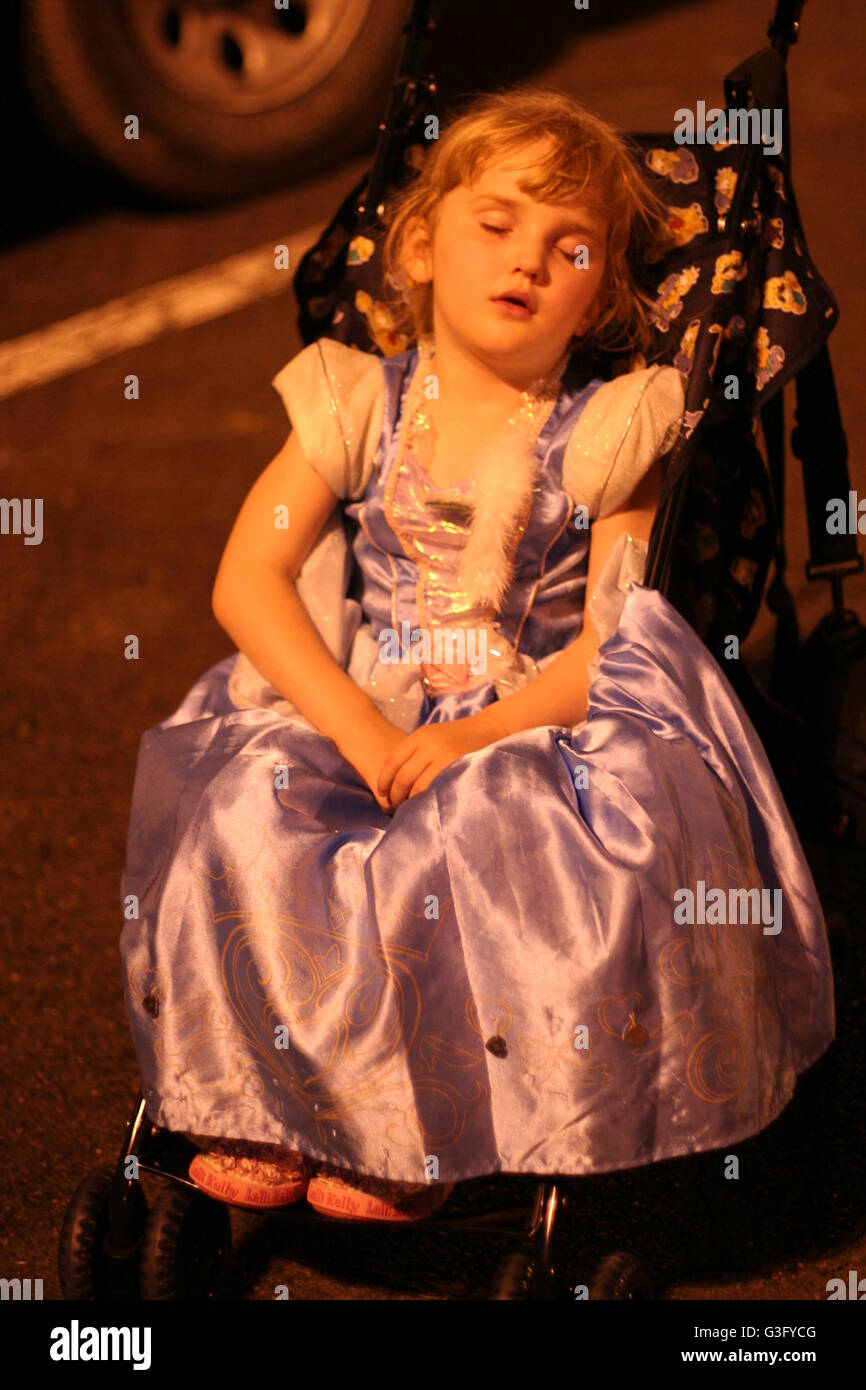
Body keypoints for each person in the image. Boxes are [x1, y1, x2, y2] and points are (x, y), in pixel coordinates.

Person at [120, 87, 834, 1225]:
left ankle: (416, 1121)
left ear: (598, 294)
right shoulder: (354, 399)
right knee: (254, 807)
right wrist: (359, 726)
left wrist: (467, 734)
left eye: (570, 249)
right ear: (420, 243)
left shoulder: (612, 427)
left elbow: (615, 637)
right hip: (367, 693)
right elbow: (245, 579)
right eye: (494, 224)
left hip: (530, 710)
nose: (527, 262)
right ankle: (266, 1097)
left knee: (488, 834)